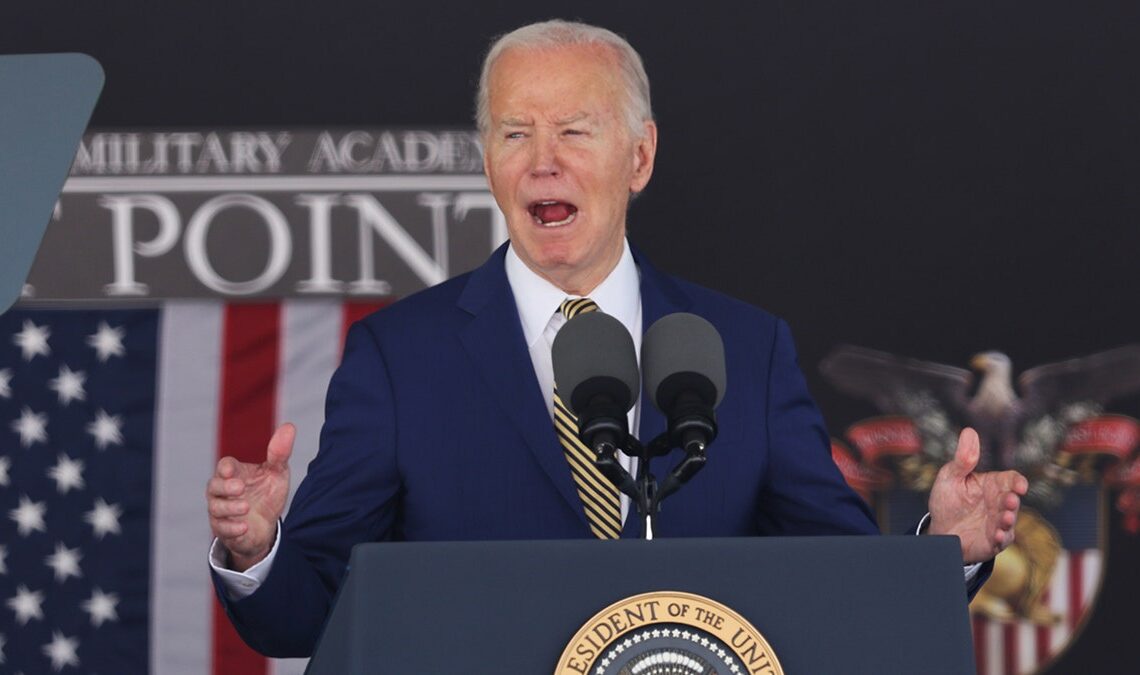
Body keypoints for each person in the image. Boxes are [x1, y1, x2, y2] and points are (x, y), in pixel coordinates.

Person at [206, 20, 1028, 657]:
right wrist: (258, 550)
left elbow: (841, 590)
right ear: (487, 160)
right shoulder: (399, 357)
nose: (542, 162)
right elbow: (305, 613)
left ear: (639, 157)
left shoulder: (743, 348)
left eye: (574, 129)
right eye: (514, 132)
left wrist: (943, 551)